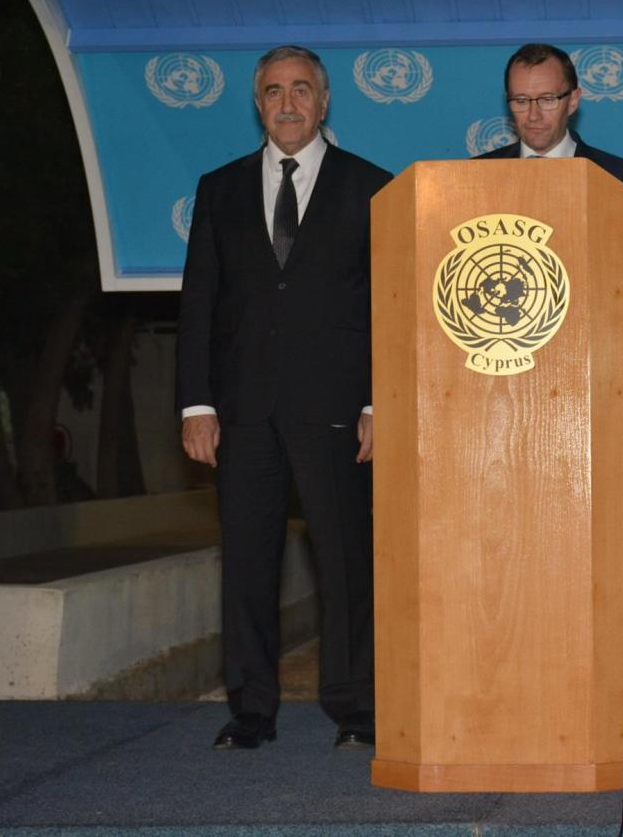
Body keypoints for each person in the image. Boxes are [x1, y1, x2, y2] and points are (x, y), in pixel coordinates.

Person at [177, 45, 393, 751]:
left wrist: (379, 401)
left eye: (302, 89)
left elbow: (390, 306)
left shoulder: (374, 187)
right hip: (242, 411)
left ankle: (356, 709)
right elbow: (200, 302)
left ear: (325, 101)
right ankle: (251, 710)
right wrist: (196, 404)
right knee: (246, 563)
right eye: (274, 91)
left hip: (338, 410)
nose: (289, 103)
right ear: (258, 103)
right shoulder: (219, 189)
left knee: (345, 562)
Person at [475, 42, 623, 297]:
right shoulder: (474, 178)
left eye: (547, 100)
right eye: (521, 100)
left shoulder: (618, 178)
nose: (533, 115)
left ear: (573, 101)